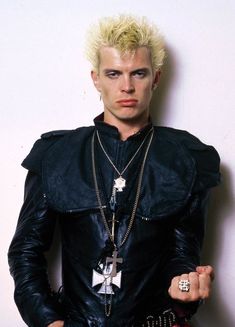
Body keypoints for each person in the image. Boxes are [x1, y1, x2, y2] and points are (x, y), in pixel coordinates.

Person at [8, 14, 220, 327]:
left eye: (139, 73)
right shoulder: (56, 155)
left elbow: (183, 254)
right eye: (113, 73)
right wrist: (48, 322)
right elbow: (25, 251)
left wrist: (186, 286)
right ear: (96, 78)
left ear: (156, 78)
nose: (126, 86)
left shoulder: (186, 158)